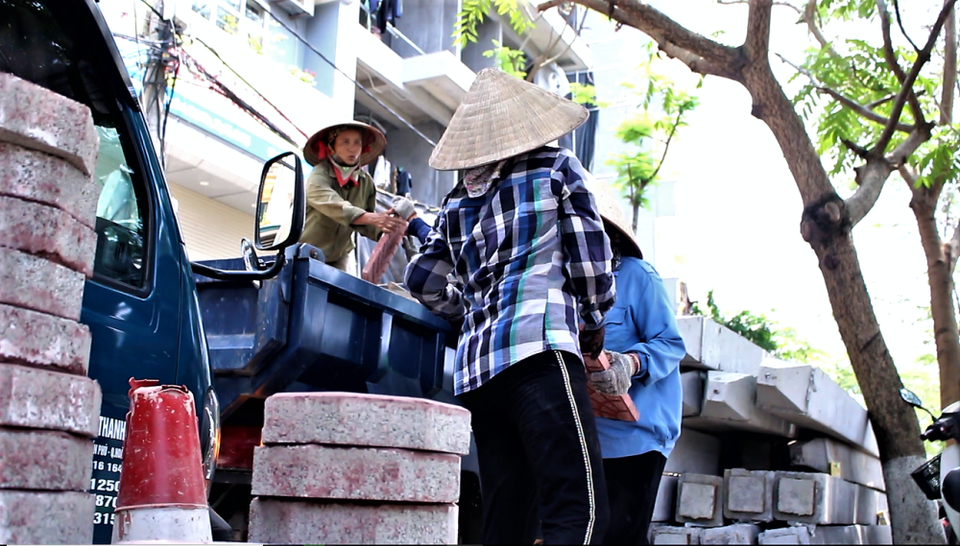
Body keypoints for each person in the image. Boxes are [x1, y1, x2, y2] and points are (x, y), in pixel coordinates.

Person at [404, 68, 616, 545]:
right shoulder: (557, 168)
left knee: (509, 515)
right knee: (578, 514)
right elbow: (591, 264)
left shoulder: (457, 201)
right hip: (539, 352)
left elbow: (420, 279)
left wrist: (470, 311)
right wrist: (594, 318)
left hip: (479, 373)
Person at [584, 179, 686, 545]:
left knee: (621, 537)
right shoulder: (569, 286)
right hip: (589, 437)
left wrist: (630, 363)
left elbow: (671, 344)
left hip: (638, 441)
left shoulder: (638, 277)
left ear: (605, 230)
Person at [299, 120, 408, 272]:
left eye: (357, 142)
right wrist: (371, 218)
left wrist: (388, 227)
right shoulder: (319, 175)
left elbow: (366, 223)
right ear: (332, 147)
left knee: (340, 293)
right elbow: (334, 205)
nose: (352, 148)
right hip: (305, 251)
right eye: (345, 142)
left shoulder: (366, 182)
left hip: (338, 257)